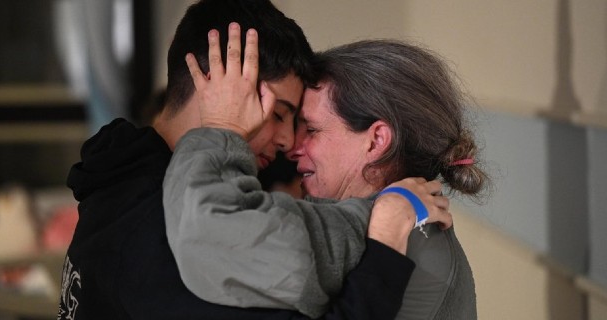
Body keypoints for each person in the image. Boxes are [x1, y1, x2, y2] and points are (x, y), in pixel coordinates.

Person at [58, 0, 451, 319]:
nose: (287, 141)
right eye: (278, 113)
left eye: (302, 125)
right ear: (216, 88)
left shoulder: (122, 177)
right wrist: (383, 243)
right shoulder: (166, 229)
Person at [164, 40, 490, 319]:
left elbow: (208, 226)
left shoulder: (370, 229)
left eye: (312, 129)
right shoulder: (420, 231)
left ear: (376, 141)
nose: (292, 147)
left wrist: (222, 125)